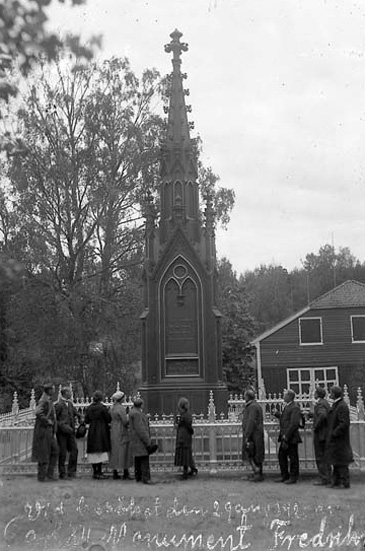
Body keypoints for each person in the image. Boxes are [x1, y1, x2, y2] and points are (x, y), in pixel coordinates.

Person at [326, 385, 353, 489]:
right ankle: (336, 481)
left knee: (341, 462)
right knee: (336, 461)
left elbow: (344, 423)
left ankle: (344, 482)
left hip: (340, 440)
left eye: (331, 392)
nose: (330, 394)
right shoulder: (337, 404)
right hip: (336, 439)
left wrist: (334, 433)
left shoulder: (341, 406)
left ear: (334, 394)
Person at [31, 382, 59, 482]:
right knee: (44, 453)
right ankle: (42, 476)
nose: (54, 391)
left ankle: (49, 474)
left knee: (54, 451)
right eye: (53, 389)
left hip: (49, 430)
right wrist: (47, 421)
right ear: (49, 390)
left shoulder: (47, 399)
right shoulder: (44, 400)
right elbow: (38, 412)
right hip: (44, 430)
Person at [274, 389, 302, 484]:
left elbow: (294, 423)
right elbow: (285, 419)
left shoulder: (295, 407)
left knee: (293, 457)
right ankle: (284, 475)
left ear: (289, 397)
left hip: (291, 437)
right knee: (282, 456)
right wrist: (278, 414)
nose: (283, 396)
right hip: (285, 436)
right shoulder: (288, 406)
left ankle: (293, 477)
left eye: (285, 395)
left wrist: (287, 436)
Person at [84, 390, 111, 479]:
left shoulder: (89, 408)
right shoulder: (103, 408)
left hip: (92, 429)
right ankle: (99, 472)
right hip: (101, 429)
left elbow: (86, 420)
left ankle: (95, 472)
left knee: (93, 450)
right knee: (100, 450)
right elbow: (108, 419)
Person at [54, 386, 80, 480]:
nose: (71, 394)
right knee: (63, 452)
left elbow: (75, 413)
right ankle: (62, 473)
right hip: (62, 433)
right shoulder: (58, 405)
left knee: (74, 450)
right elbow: (55, 419)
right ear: (65, 393)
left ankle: (71, 471)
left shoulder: (70, 404)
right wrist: (62, 426)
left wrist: (81, 417)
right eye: (69, 392)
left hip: (71, 431)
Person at [109, 390, 133, 480]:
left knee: (114, 451)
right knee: (124, 450)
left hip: (114, 429)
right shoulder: (121, 408)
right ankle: (125, 472)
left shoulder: (112, 408)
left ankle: (115, 472)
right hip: (121, 430)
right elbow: (125, 421)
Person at [241, 389, 264, 482]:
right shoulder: (253, 406)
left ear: (247, 397)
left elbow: (251, 421)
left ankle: (258, 474)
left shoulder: (252, 407)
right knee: (253, 452)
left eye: (244, 396)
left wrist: (247, 434)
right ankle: (256, 473)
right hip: (255, 434)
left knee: (253, 453)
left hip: (254, 435)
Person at [129, 398, 154, 484]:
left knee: (137, 459)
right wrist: (147, 440)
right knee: (144, 459)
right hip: (140, 440)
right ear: (141, 405)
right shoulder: (137, 414)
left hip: (135, 439)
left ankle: (138, 476)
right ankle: (145, 478)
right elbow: (140, 429)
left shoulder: (133, 412)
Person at [311, 386, 331, 486]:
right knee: (325, 457)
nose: (313, 394)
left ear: (317, 394)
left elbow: (322, 415)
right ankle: (328, 477)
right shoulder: (325, 403)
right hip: (325, 433)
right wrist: (312, 415)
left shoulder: (320, 404)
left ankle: (324, 478)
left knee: (320, 456)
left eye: (315, 392)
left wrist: (315, 426)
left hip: (321, 434)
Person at [174, 397, 198, 480]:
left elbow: (185, 424)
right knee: (186, 453)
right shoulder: (184, 414)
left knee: (185, 453)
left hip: (183, 436)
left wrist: (179, 423)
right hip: (183, 435)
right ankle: (192, 468)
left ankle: (186, 472)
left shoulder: (184, 414)